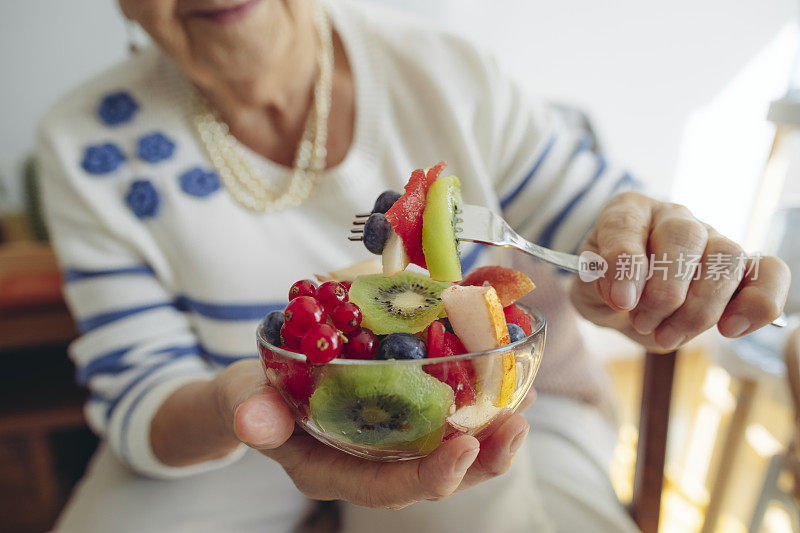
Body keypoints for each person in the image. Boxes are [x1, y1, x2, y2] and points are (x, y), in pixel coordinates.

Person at [39, 0, 790, 531]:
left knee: (466, 495)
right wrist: (253, 403)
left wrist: (641, 256)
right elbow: (142, 392)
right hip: (230, 428)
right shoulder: (85, 144)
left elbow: (597, 229)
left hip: (493, 400)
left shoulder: (446, 70)